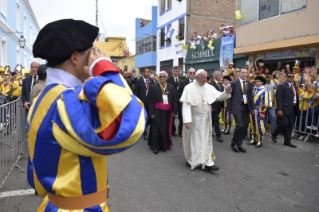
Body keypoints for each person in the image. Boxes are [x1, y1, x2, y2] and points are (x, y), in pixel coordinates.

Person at [29, 19, 146, 211]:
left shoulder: (44, 97)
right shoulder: (66, 100)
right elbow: (131, 121)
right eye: (92, 53)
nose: (96, 56)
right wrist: (104, 68)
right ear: (75, 58)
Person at [180, 69, 231, 171]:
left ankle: (208, 162)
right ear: (197, 77)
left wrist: (225, 92)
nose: (206, 79)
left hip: (206, 119)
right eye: (204, 78)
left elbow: (218, 96)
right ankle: (193, 160)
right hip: (195, 119)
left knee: (206, 141)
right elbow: (186, 106)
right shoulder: (189, 88)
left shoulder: (208, 87)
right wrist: (187, 120)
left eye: (207, 77)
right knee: (195, 141)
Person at [146, 71, 178, 154]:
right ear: (158, 78)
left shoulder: (171, 87)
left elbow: (175, 101)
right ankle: (156, 146)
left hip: (167, 112)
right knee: (156, 130)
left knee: (165, 129)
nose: (162, 78)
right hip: (156, 111)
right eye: (160, 76)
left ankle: (165, 145)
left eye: (164, 76)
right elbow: (150, 101)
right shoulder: (154, 87)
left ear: (167, 77)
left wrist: (174, 111)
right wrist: (151, 112)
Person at [226, 68, 257, 153]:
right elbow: (229, 96)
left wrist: (254, 108)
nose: (244, 74)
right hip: (237, 107)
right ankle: (233, 143)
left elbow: (251, 97)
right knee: (239, 125)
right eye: (242, 73)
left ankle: (239, 144)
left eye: (245, 73)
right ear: (239, 73)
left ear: (247, 74)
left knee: (244, 126)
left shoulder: (248, 83)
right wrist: (228, 108)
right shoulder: (234, 83)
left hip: (245, 107)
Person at [271, 72, 298, 148]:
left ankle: (287, 141)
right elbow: (279, 98)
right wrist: (279, 109)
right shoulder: (282, 86)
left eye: (293, 77)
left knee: (289, 125)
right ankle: (274, 133)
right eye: (290, 77)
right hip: (284, 109)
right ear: (286, 77)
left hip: (292, 108)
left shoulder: (294, 87)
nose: (291, 78)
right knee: (284, 123)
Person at [248, 76, 272, 148]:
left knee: (259, 126)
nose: (256, 82)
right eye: (256, 81)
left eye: (258, 81)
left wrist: (264, 113)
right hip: (253, 110)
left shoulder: (266, 91)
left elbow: (267, 103)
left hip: (260, 110)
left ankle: (260, 141)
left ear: (262, 82)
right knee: (253, 125)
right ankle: (253, 139)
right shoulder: (254, 90)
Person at [134, 68, 155, 140]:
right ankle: (144, 132)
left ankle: (144, 127)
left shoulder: (151, 80)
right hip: (142, 102)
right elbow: (136, 92)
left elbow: (153, 90)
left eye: (148, 72)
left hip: (150, 102)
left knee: (150, 116)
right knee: (143, 117)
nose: (148, 73)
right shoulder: (138, 81)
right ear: (143, 73)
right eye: (146, 72)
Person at [167, 66, 186, 137]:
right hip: (172, 100)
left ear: (178, 72)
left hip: (181, 100)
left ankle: (181, 131)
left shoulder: (183, 79)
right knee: (173, 116)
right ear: (172, 72)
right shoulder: (169, 79)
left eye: (176, 71)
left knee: (181, 116)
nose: (175, 72)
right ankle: (173, 130)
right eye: (174, 71)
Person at [209, 70, 224, 142]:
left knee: (212, 120)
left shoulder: (220, 84)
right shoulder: (211, 84)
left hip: (219, 105)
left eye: (221, 75)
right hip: (214, 104)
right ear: (215, 76)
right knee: (216, 120)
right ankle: (218, 135)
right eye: (219, 75)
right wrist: (210, 105)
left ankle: (208, 132)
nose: (221, 77)